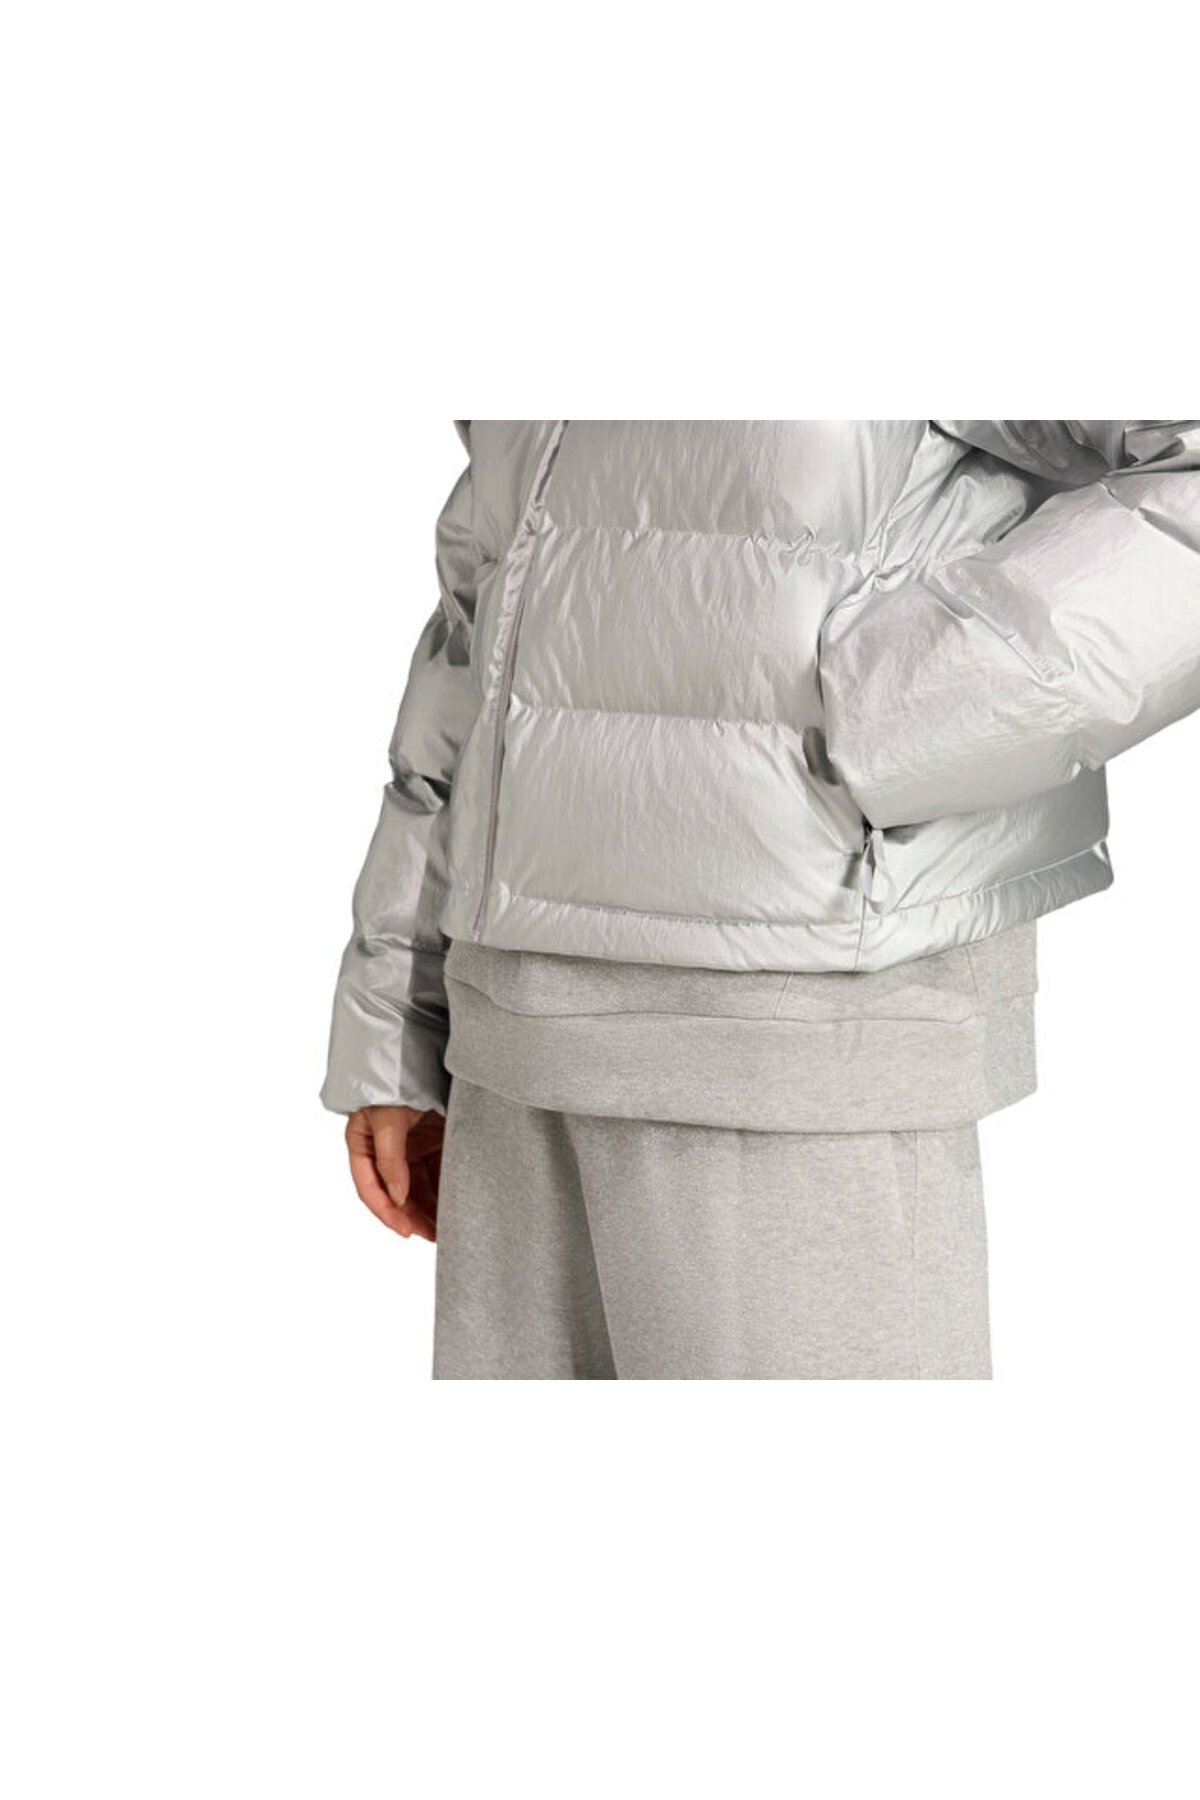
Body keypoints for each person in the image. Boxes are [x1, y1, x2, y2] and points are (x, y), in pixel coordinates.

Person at [321, 420, 1200, 1380]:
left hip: (796, 1040)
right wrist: (402, 1021)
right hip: (507, 1052)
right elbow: (479, 617)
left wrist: (906, 714)